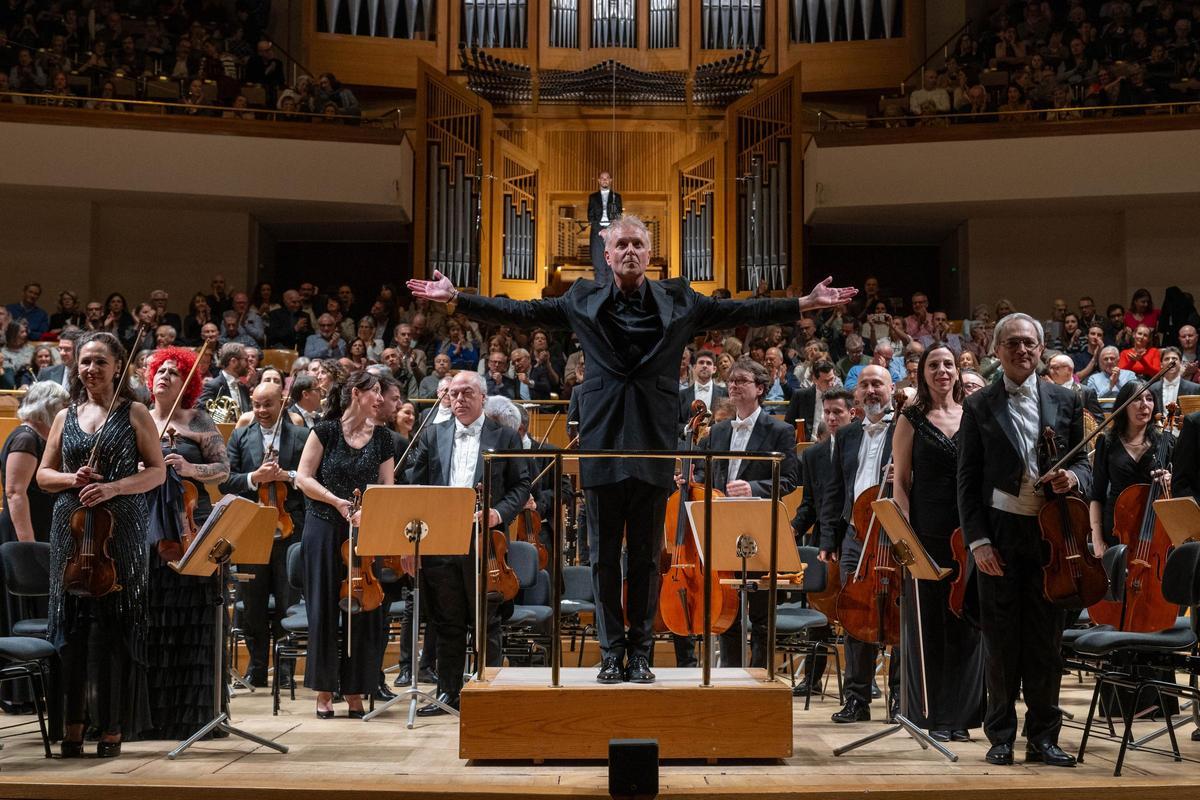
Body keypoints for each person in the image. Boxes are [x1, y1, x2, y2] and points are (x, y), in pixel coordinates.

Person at [409, 215, 855, 684]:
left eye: (637, 244)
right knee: (602, 558)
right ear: (607, 254)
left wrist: (804, 303)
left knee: (645, 558)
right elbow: (521, 313)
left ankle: (639, 653)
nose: (629, 251)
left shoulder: (680, 299)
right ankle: (610, 653)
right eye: (621, 244)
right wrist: (458, 299)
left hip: (653, 443)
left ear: (649, 254)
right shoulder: (582, 298)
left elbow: (740, 311)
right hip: (602, 443)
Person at [958, 312, 1090, 768]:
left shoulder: (1067, 398)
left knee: (1046, 643)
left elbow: (1085, 464)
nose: (1022, 350)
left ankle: (1044, 738)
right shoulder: (978, 404)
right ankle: (1000, 736)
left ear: (1040, 348)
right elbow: (967, 480)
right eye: (1012, 342)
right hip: (1000, 533)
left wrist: (1073, 477)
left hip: (1053, 536)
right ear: (997, 350)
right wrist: (978, 542)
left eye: (1029, 342)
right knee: (1000, 643)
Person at [37, 331, 166, 757]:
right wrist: (71, 479)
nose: (90, 369)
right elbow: (43, 476)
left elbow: (157, 472)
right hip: (71, 528)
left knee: (115, 632)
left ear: (117, 367)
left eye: (99, 362)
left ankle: (111, 726)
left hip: (120, 529)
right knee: (71, 632)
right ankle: (72, 726)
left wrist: (113, 487)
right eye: (85, 361)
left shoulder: (135, 412)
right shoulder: (65, 415)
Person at [405, 370, 530, 713]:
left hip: (486, 543)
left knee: (486, 621)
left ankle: (489, 693)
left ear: (482, 398)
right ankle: (449, 693)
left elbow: (521, 485)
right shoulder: (432, 434)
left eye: (466, 393)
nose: (458, 399)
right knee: (447, 621)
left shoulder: (505, 437)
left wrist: (497, 514)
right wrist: (413, 543)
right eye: (454, 394)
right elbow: (417, 487)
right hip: (441, 541)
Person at [891, 345, 984, 742]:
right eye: (934, 365)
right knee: (928, 625)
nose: (942, 370)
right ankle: (930, 716)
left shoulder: (973, 415)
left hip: (970, 534)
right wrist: (907, 538)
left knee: (967, 626)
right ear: (923, 373)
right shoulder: (910, 418)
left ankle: (961, 717)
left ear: (958, 371)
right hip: (926, 534)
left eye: (948, 364)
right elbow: (900, 483)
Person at [142, 346, 231, 740]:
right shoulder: (139, 418)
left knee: (196, 617)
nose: (165, 376)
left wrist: (190, 467)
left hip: (191, 527)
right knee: (153, 618)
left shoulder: (198, 419)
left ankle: (197, 717)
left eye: (174, 372)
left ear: (188, 382)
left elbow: (223, 469)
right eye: (160, 371)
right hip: (149, 528)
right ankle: (153, 719)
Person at [295, 371, 395, 719]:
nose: (380, 399)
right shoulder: (325, 431)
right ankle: (324, 691)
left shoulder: (382, 438)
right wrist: (337, 502)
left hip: (364, 529)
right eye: (375, 392)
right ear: (355, 393)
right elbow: (303, 478)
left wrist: (371, 510)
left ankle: (355, 690)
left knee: (364, 609)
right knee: (323, 608)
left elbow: (387, 486)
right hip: (323, 526)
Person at [690, 358, 799, 667]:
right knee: (728, 609)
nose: (734, 385)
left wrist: (753, 487)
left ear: (760, 388)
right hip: (724, 527)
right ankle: (730, 676)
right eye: (732, 381)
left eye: (742, 381)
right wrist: (691, 480)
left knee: (761, 612)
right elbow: (703, 472)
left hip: (759, 528)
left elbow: (790, 480)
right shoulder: (717, 431)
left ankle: (761, 676)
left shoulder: (780, 430)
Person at [819, 364, 899, 723]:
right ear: (856, 393)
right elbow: (835, 488)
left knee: (899, 616)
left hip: (894, 533)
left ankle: (901, 699)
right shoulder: (848, 434)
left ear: (891, 388)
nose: (871, 390)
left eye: (877, 383)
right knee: (855, 615)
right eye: (864, 384)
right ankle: (856, 699)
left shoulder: (905, 427)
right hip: (855, 535)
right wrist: (829, 538)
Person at [221, 382, 307, 688]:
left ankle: (284, 671)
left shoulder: (302, 436)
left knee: (287, 601)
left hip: (290, 529)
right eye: (256, 405)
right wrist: (253, 478)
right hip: (252, 529)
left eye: (267, 404)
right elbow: (226, 480)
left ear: (282, 402)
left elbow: (313, 478)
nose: (261, 410)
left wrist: (288, 475)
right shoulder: (240, 436)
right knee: (252, 603)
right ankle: (257, 667)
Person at [790, 387, 853, 695]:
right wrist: (791, 529)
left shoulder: (859, 446)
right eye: (827, 412)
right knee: (819, 614)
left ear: (852, 413)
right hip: (822, 541)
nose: (831, 418)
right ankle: (812, 678)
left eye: (837, 412)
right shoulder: (814, 454)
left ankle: (861, 680)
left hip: (853, 537)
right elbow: (809, 505)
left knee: (855, 611)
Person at [1090, 380, 1172, 554]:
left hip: (1154, 528)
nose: (1144, 405)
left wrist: (1170, 482)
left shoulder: (1166, 442)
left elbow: (1181, 490)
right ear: (1124, 405)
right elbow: (1097, 494)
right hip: (1116, 526)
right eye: (1137, 399)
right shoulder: (1107, 441)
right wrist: (1097, 539)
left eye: (1149, 399)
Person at [2, 381, 69, 543]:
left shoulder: (36, 436)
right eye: (63, 406)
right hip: (24, 533)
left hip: (39, 527)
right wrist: (28, 544)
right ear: (49, 407)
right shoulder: (26, 439)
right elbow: (15, 493)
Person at [784, 360, 838, 440]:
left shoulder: (840, 396)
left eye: (832, 379)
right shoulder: (800, 395)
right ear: (815, 379)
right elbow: (788, 426)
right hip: (808, 444)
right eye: (826, 381)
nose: (831, 384)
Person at [197, 342, 252, 416]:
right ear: (233, 361)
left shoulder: (243, 387)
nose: (248, 364)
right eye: (246, 360)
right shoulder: (212, 386)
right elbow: (200, 413)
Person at [587, 171, 622, 282]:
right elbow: (590, 217)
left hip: (612, 235)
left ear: (610, 180)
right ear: (599, 180)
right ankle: (600, 292)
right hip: (597, 234)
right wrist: (601, 231)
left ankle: (610, 292)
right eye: (602, 178)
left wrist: (609, 231)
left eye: (607, 178)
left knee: (612, 267)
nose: (605, 180)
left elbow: (618, 217)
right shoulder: (592, 197)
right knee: (599, 268)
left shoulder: (616, 197)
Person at [678, 349, 726, 425]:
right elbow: (675, 423)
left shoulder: (725, 393)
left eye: (708, 363)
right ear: (694, 367)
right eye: (701, 362)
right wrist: (688, 429)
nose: (704, 366)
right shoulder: (681, 395)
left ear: (714, 369)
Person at [1149, 347, 1200, 413]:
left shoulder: (1194, 389)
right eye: (1167, 359)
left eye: (1174, 359)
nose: (1171, 361)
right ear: (1161, 364)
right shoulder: (1152, 389)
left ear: (1180, 363)